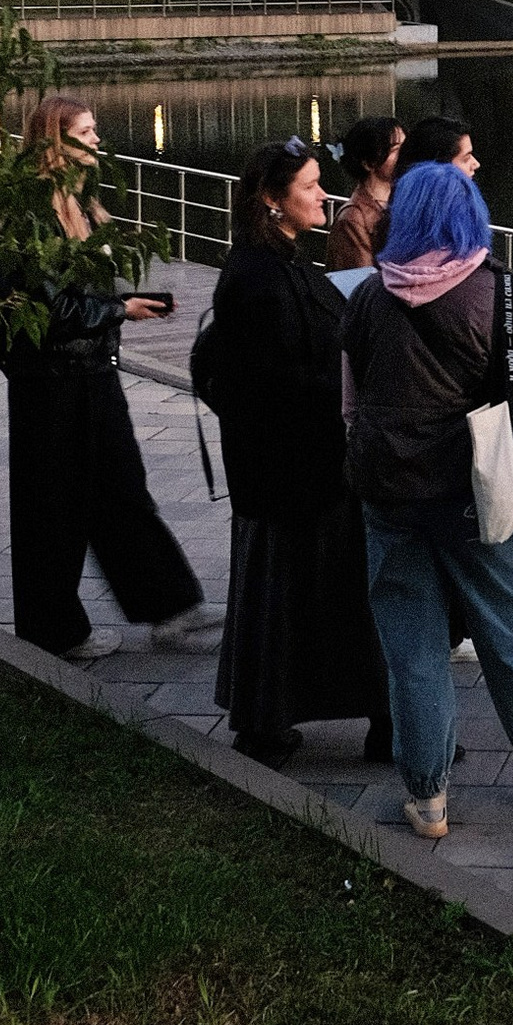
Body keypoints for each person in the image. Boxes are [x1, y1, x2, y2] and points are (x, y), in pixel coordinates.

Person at [341, 158, 513, 844]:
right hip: (477, 496)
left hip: (388, 495)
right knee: (509, 632)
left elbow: (350, 402)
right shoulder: (501, 296)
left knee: (414, 649)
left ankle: (427, 798)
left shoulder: (367, 297)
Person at [0, 93, 214, 663]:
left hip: (90, 370)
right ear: (56, 143)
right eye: (86, 132)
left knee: (118, 486)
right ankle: (54, 629)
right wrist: (119, 310)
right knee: (53, 505)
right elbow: (43, 307)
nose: (97, 140)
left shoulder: (78, 202)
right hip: (52, 380)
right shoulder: (33, 212)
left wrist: (123, 303)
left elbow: (74, 293)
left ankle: (170, 604)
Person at [206, 138, 389, 765]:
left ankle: (285, 717)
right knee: (314, 593)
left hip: (302, 469)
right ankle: (291, 721)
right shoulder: (258, 277)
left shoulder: (276, 263)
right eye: (309, 186)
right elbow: (276, 381)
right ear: (271, 199)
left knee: (308, 594)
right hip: (294, 472)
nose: (322, 195)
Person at [323, 117, 407, 271]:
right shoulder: (352, 219)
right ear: (368, 163)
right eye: (395, 150)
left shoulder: (403, 199)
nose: (405, 155)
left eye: (405, 147)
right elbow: (358, 284)